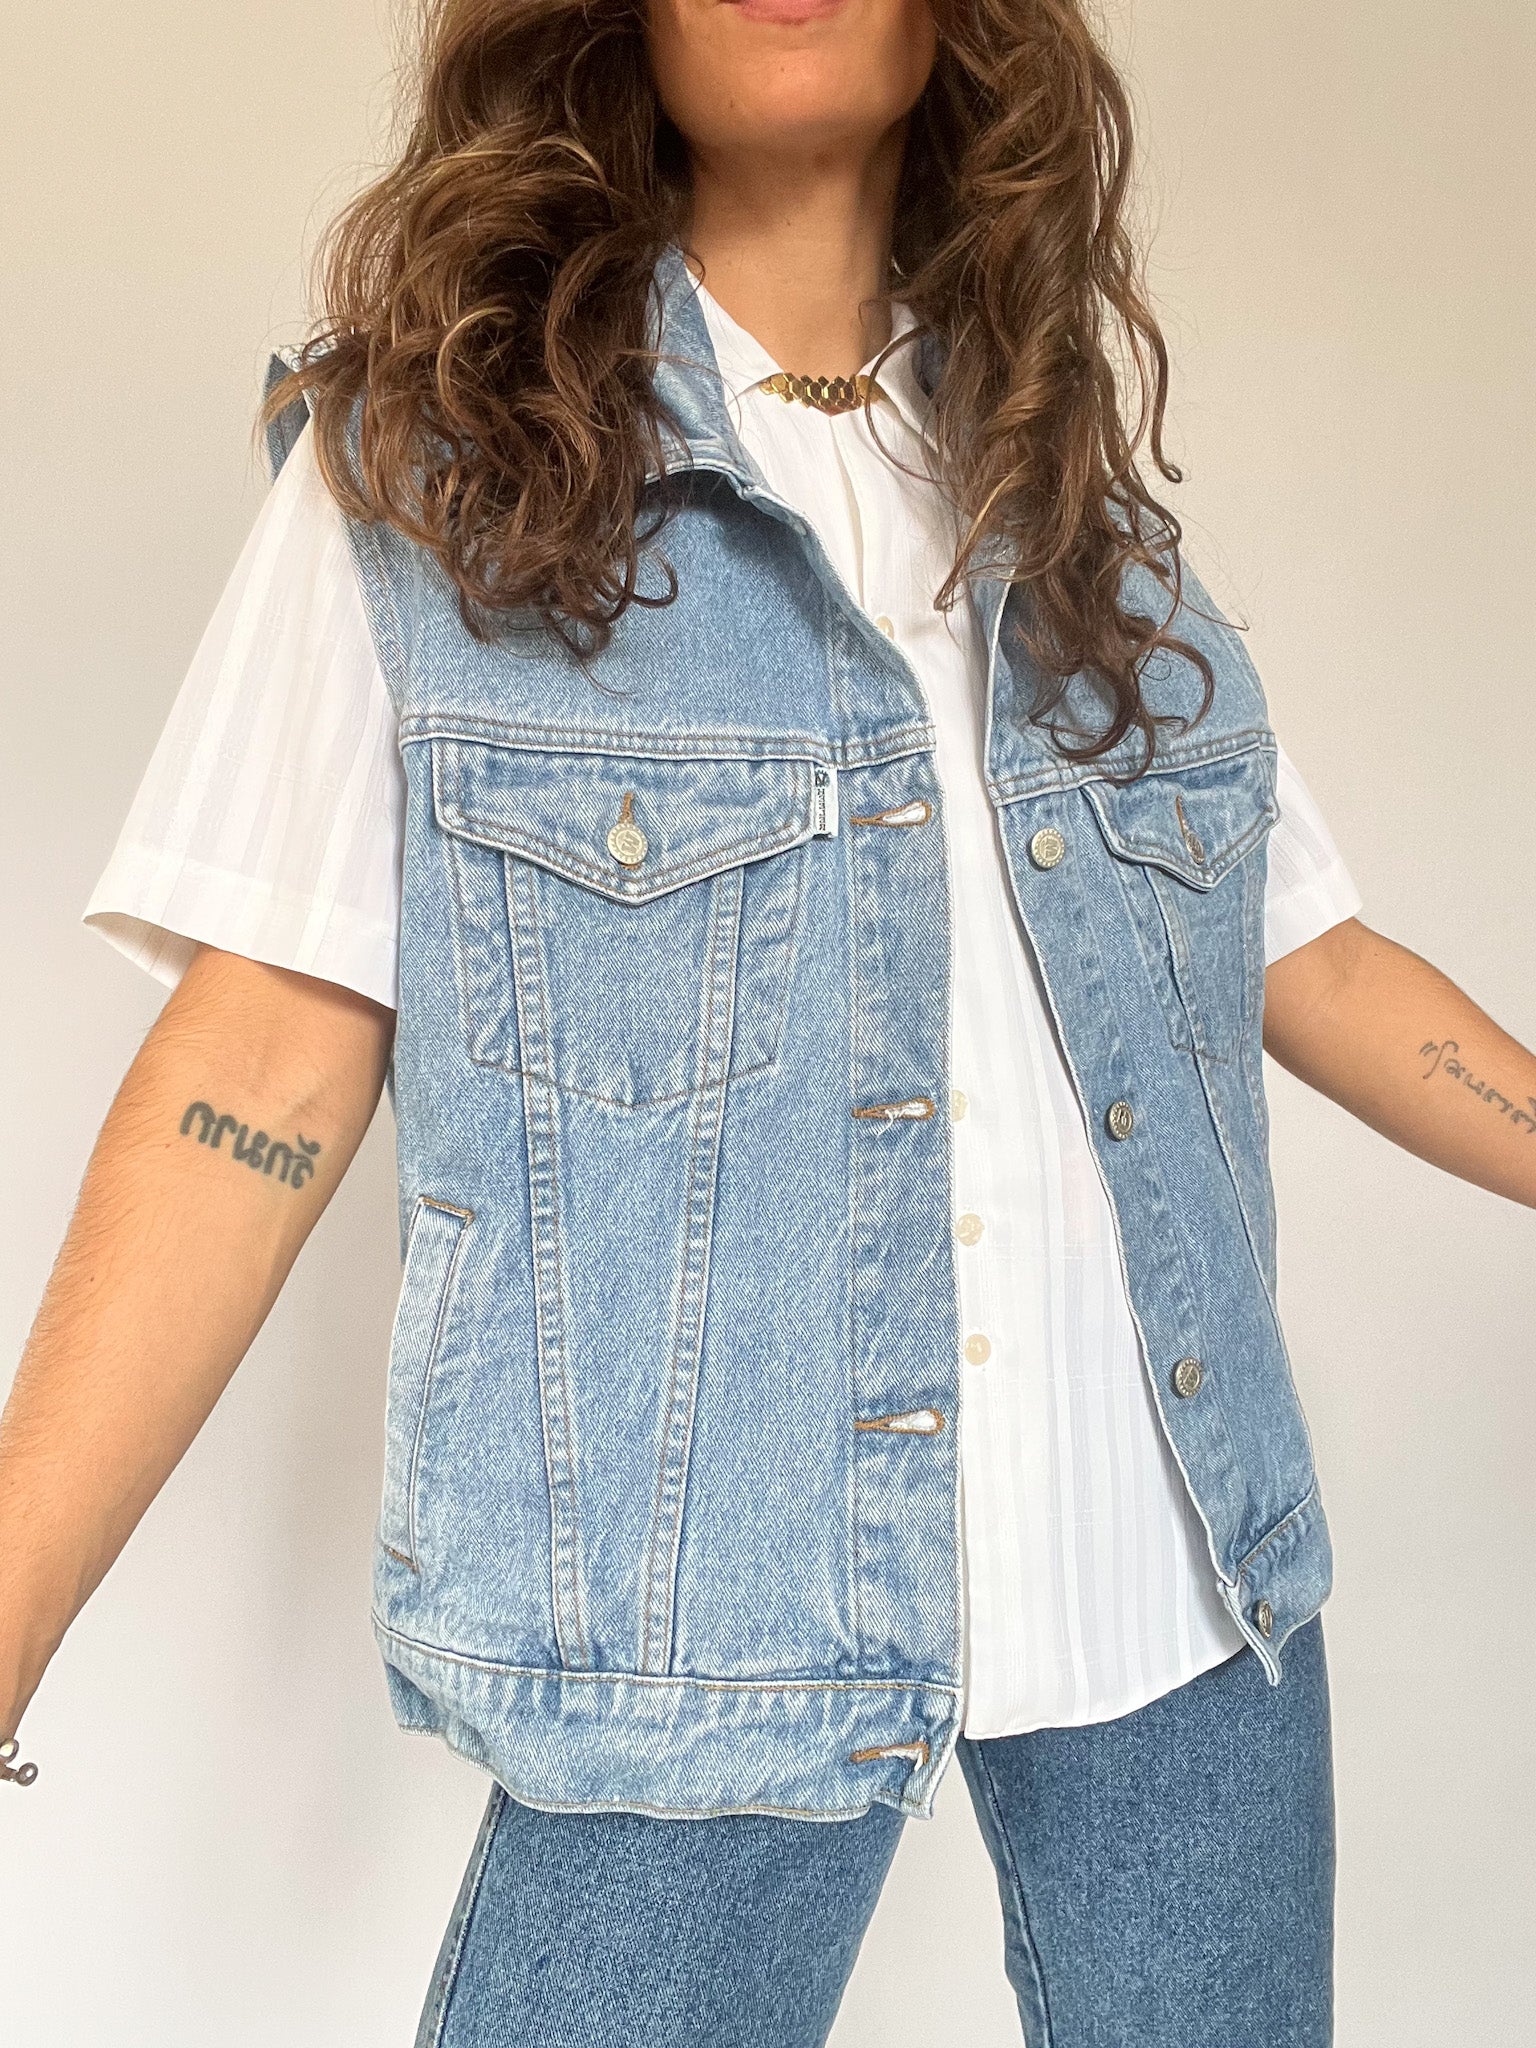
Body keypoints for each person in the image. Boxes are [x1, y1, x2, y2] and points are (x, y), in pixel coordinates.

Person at [2, 0, 1531, 2038]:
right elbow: (260, 1059)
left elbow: (1307, 957)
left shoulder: (1066, 503)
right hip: (705, 1636)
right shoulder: (436, 484)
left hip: (1181, 1589)